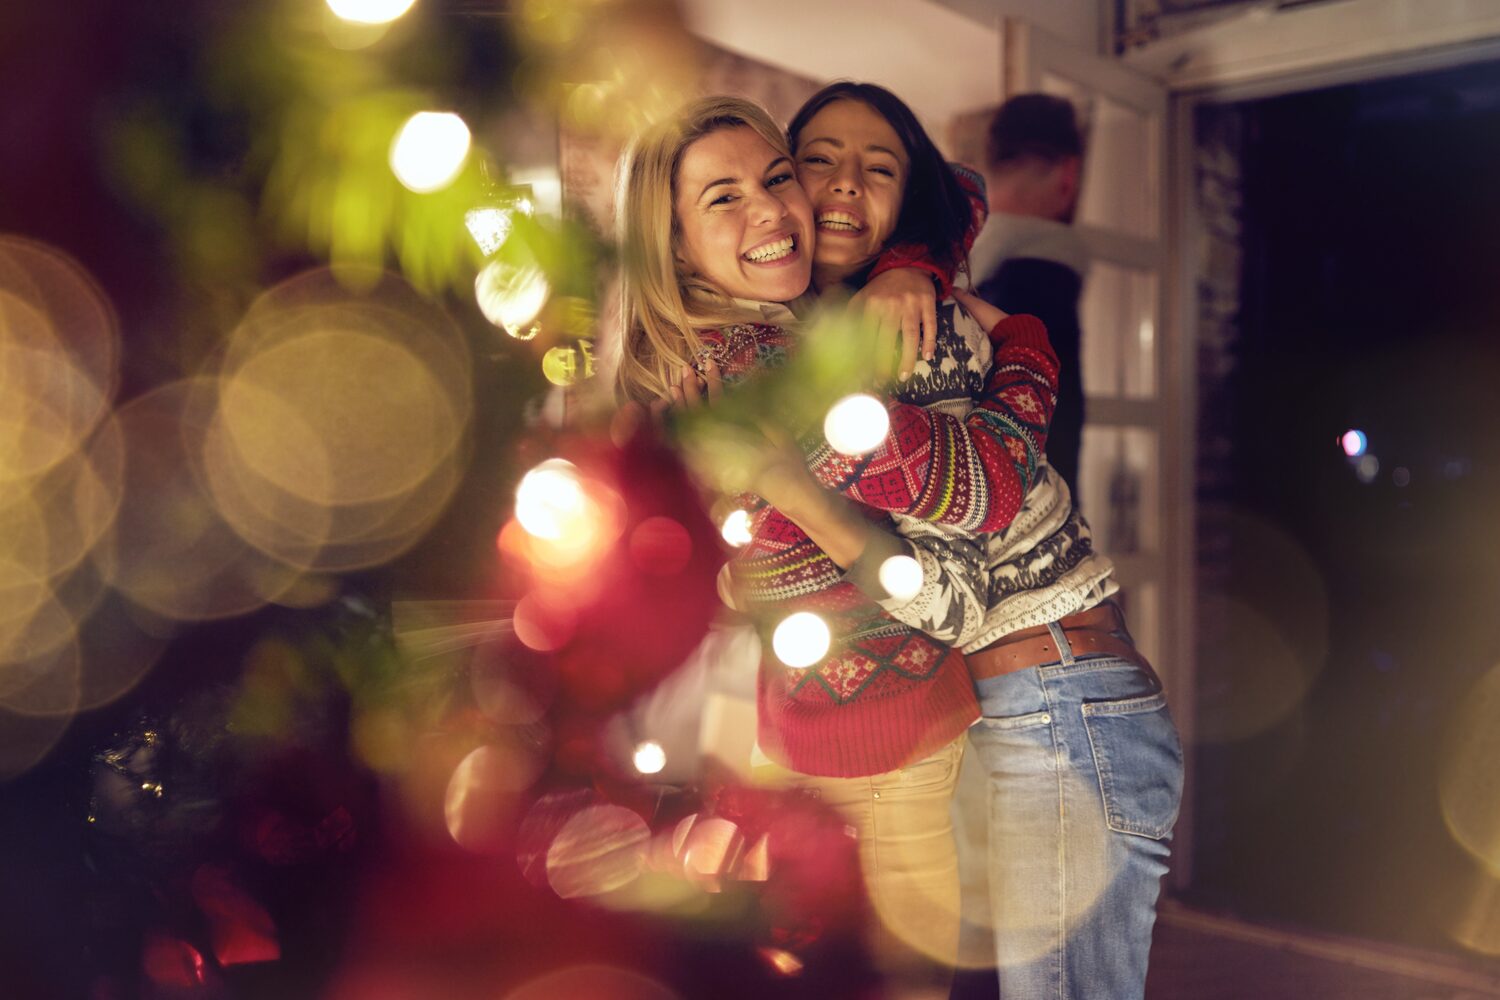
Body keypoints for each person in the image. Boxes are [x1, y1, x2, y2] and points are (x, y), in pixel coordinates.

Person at [613, 94, 1058, 993]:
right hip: (882, 743)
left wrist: (912, 268)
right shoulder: (765, 367)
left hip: (812, 732)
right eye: (722, 198)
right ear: (673, 243)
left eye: (779, 177)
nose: (773, 209)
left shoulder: (743, 338)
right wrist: (1026, 348)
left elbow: (955, 191)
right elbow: (985, 490)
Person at [786, 82, 1182, 1000]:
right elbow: (958, 189)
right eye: (817, 160)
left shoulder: (908, 337)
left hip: (1061, 709)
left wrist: (793, 484)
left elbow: (958, 591)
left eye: (876, 168)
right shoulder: (862, 315)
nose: (845, 183)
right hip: (1043, 704)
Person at [970, 93, 1088, 494]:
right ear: (1069, 174)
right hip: (1025, 530)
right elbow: (1050, 440)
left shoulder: (952, 263)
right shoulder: (1045, 275)